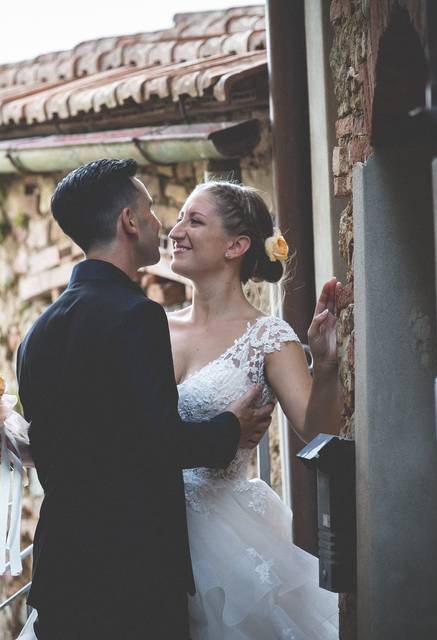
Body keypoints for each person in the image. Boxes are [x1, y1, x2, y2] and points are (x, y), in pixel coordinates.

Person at [12, 159, 275, 640]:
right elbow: (156, 443)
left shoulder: (37, 334)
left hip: (61, 575)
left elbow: (74, 444)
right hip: (132, 581)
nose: (163, 224)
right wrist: (231, 430)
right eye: (151, 211)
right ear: (129, 223)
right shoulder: (137, 317)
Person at [166, 180, 351, 639]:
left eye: (194, 220)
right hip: (154, 526)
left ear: (237, 245)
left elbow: (317, 429)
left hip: (225, 540)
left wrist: (324, 365)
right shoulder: (154, 328)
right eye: (178, 218)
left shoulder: (268, 337)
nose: (175, 231)